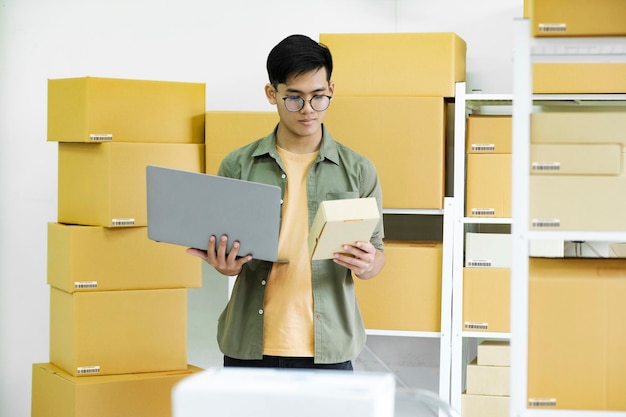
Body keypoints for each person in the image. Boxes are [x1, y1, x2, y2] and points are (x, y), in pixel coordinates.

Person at [187, 34, 386, 370]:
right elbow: (224, 248)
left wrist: (368, 265)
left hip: (330, 346)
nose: (308, 110)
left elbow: (378, 254)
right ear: (272, 94)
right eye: (294, 98)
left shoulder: (358, 170)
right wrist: (225, 265)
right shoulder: (239, 165)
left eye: (318, 97)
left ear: (331, 90)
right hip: (250, 344)